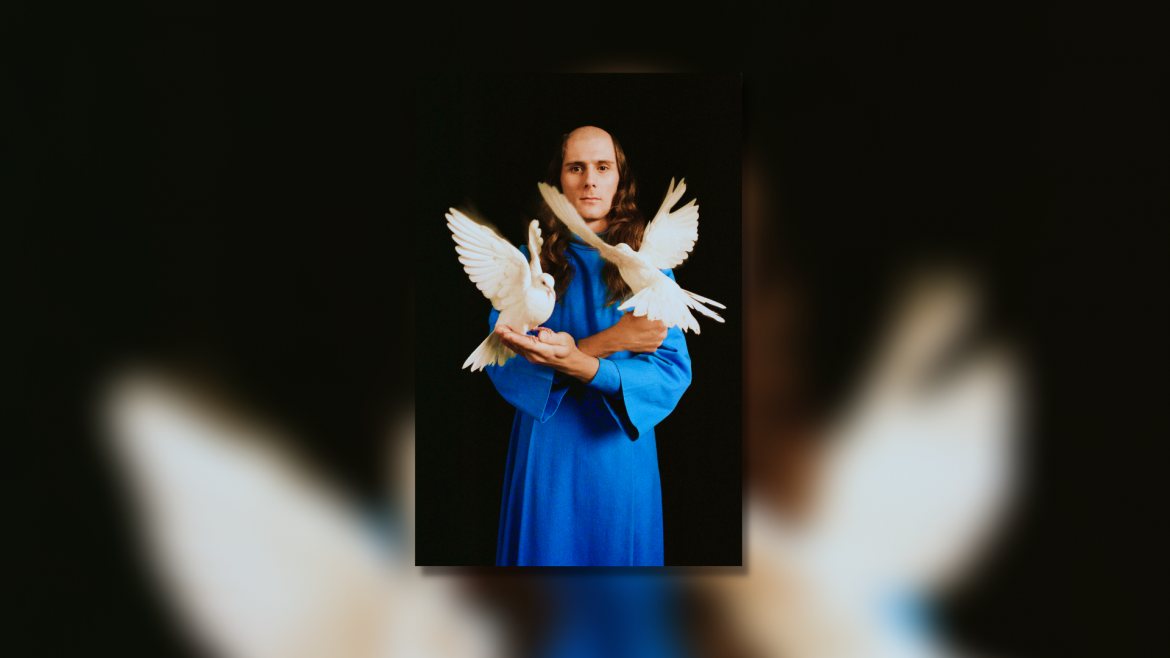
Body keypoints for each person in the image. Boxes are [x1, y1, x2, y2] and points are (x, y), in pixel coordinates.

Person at [486, 126, 692, 566]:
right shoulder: (528, 264)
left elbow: (672, 370)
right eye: (575, 168)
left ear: (620, 180)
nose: (590, 181)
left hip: (619, 455)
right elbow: (503, 358)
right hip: (547, 454)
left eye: (603, 167)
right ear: (559, 180)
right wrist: (609, 343)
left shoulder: (649, 268)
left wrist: (587, 366)